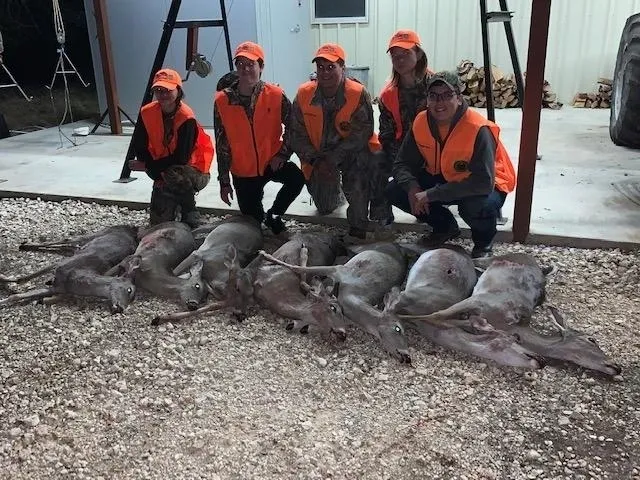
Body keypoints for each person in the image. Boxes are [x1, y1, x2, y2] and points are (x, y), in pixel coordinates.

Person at [385, 71, 517, 258]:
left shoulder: (478, 128)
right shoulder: (421, 121)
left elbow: (483, 182)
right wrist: (413, 189)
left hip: (488, 183)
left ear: (459, 98)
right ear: (427, 100)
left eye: (447, 95)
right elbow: (401, 163)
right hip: (444, 177)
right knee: (395, 190)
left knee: (476, 206)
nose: (440, 102)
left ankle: (483, 243)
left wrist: (431, 195)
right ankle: (444, 227)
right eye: (434, 96)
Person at [290, 43, 381, 240]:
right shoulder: (304, 94)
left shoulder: (358, 93)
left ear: (343, 68)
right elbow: (295, 135)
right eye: (320, 67)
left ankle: (361, 220)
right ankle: (337, 193)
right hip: (318, 157)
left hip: (352, 155)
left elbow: (362, 133)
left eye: (331, 67)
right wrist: (316, 162)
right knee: (325, 207)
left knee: (359, 184)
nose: (325, 72)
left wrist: (332, 160)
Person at [214, 41, 304, 234]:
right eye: (240, 64)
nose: (245, 69)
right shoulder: (222, 100)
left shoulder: (276, 94)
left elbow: (294, 127)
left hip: (271, 162)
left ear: (261, 67)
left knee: (297, 178)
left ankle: (274, 214)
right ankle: (259, 216)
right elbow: (221, 143)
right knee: (253, 224)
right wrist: (224, 181)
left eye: (251, 64)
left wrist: (282, 154)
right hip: (243, 171)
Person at [132, 68, 214, 228]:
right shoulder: (147, 112)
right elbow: (139, 145)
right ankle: (173, 201)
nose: (162, 95)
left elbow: (181, 158)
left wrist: (149, 166)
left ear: (178, 90)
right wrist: (153, 171)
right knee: (158, 224)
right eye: (158, 90)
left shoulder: (187, 117)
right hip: (163, 170)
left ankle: (190, 211)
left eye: (167, 90)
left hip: (194, 171)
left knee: (174, 172)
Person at [373, 30, 433, 226]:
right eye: (394, 56)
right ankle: (382, 215)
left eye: (405, 54)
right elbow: (386, 136)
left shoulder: (438, 86)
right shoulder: (388, 94)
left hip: (436, 153)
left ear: (419, 54)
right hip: (402, 152)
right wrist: (402, 164)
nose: (399, 60)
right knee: (376, 159)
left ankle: (436, 209)